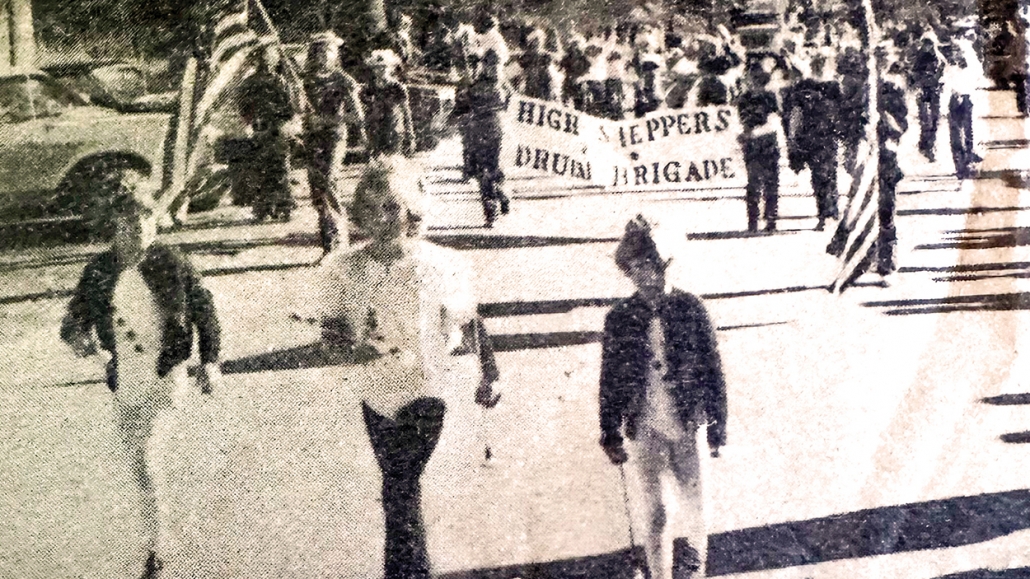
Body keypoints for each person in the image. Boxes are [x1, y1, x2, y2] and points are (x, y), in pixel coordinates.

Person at [320, 162, 499, 579]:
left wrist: (490, 372)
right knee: (398, 488)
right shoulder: (342, 269)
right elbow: (331, 332)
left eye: (391, 208)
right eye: (370, 210)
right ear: (358, 215)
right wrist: (343, 341)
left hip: (427, 389)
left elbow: (470, 320)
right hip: (376, 393)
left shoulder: (439, 265)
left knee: (399, 485)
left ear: (410, 210)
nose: (382, 220)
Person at [60, 179, 222, 579]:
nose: (141, 229)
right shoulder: (100, 269)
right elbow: (73, 321)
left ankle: (157, 549)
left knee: (147, 457)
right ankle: (158, 534)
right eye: (131, 221)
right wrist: (80, 341)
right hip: (126, 378)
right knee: (138, 464)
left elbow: (205, 310)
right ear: (115, 225)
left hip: (167, 372)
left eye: (148, 220)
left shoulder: (173, 262)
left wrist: (211, 360)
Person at [599, 216, 727, 579]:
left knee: (695, 506)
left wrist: (719, 425)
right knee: (655, 513)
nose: (643, 276)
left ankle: (695, 570)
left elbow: (713, 371)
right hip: (645, 425)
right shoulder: (619, 318)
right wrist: (609, 430)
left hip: (688, 423)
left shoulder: (692, 309)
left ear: (665, 265)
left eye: (650, 266)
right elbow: (610, 379)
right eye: (635, 268)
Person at [303, 31, 366, 254]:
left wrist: (326, 119)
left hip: (334, 137)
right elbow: (298, 111)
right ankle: (328, 243)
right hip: (312, 139)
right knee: (318, 190)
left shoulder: (343, 80)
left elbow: (357, 116)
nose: (323, 55)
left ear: (335, 54)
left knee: (329, 181)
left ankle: (339, 236)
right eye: (318, 51)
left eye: (327, 51)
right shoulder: (304, 81)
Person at [782, 50, 841, 230]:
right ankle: (826, 213)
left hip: (825, 138)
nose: (821, 66)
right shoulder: (804, 88)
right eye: (819, 63)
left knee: (827, 175)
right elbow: (794, 116)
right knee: (821, 176)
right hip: (812, 139)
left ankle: (830, 212)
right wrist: (792, 139)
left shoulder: (833, 87)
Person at [453, 48, 512, 227]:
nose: (493, 68)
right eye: (489, 65)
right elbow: (461, 107)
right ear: (484, 66)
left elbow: (515, 106)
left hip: (498, 133)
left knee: (492, 170)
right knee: (483, 172)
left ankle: (499, 196)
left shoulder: (504, 85)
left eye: (496, 65)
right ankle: (491, 209)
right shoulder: (475, 86)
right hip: (478, 133)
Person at [238, 44, 297, 222]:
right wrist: (248, 123)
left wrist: (286, 123)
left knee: (280, 168)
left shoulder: (280, 81)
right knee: (260, 169)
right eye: (263, 57)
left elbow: (290, 107)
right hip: (259, 128)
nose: (266, 61)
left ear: (275, 60)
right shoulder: (249, 83)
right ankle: (263, 209)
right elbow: (243, 107)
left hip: (277, 128)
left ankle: (284, 207)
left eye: (270, 57)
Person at [737, 57, 781, 232]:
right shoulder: (745, 99)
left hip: (765, 141)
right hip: (757, 144)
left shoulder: (769, 96)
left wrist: (752, 133)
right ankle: (756, 221)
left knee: (767, 183)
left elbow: (775, 118)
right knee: (757, 184)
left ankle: (768, 220)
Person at [362, 49, 416, 158]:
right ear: (373, 70)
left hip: (393, 128)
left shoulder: (397, 87)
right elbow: (364, 109)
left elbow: (406, 111)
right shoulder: (369, 88)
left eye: (383, 67)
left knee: (392, 161)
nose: (380, 70)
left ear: (390, 68)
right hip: (375, 129)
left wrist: (410, 134)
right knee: (376, 162)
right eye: (377, 68)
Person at [948, 21, 983, 179]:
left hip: (962, 94)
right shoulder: (960, 50)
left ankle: (964, 164)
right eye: (969, 33)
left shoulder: (965, 50)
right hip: (959, 94)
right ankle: (963, 165)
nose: (973, 36)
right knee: (962, 130)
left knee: (963, 130)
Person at [909, 31, 946, 162]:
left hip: (935, 91)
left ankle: (931, 146)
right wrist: (920, 81)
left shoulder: (939, 58)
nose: (927, 46)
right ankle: (926, 146)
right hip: (924, 91)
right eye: (925, 43)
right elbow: (913, 74)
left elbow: (944, 73)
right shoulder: (919, 57)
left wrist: (939, 80)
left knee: (935, 120)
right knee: (926, 120)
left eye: (930, 43)